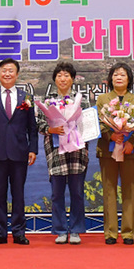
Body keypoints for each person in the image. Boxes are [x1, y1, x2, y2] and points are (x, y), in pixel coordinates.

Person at [0, 58, 38, 245]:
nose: (7, 74)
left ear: (17, 74)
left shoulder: (26, 97)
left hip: (19, 151)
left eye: (11, 71)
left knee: (18, 193)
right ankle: (0, 233)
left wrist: (33, 149)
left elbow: (32, 127)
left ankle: (19, 232)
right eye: (4, 71)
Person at [36, 61, 90, 245]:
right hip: (56, 151)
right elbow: (39, 124)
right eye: (59, 75)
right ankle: (59, 230)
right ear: (55, 79)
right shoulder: (47, 100)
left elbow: (89, 125)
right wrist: (51, 130)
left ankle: (75, 230)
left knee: (77, 192)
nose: (63, 78)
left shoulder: (82, 99)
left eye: (67, 75)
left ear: (73, 79)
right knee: (57, 193)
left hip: (77, 151)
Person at [95, 62, 134, 245]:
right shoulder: (102, 99)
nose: (119, 77)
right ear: (110, 78)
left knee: (129, 191)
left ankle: (128, 233)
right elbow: (99, 123)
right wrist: (112, 135)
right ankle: (110, 232)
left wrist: (131, 141)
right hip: (108, 151)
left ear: (129, 79)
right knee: (109, 191)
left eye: (123, 75)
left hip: (130, 152)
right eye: (115, 74)